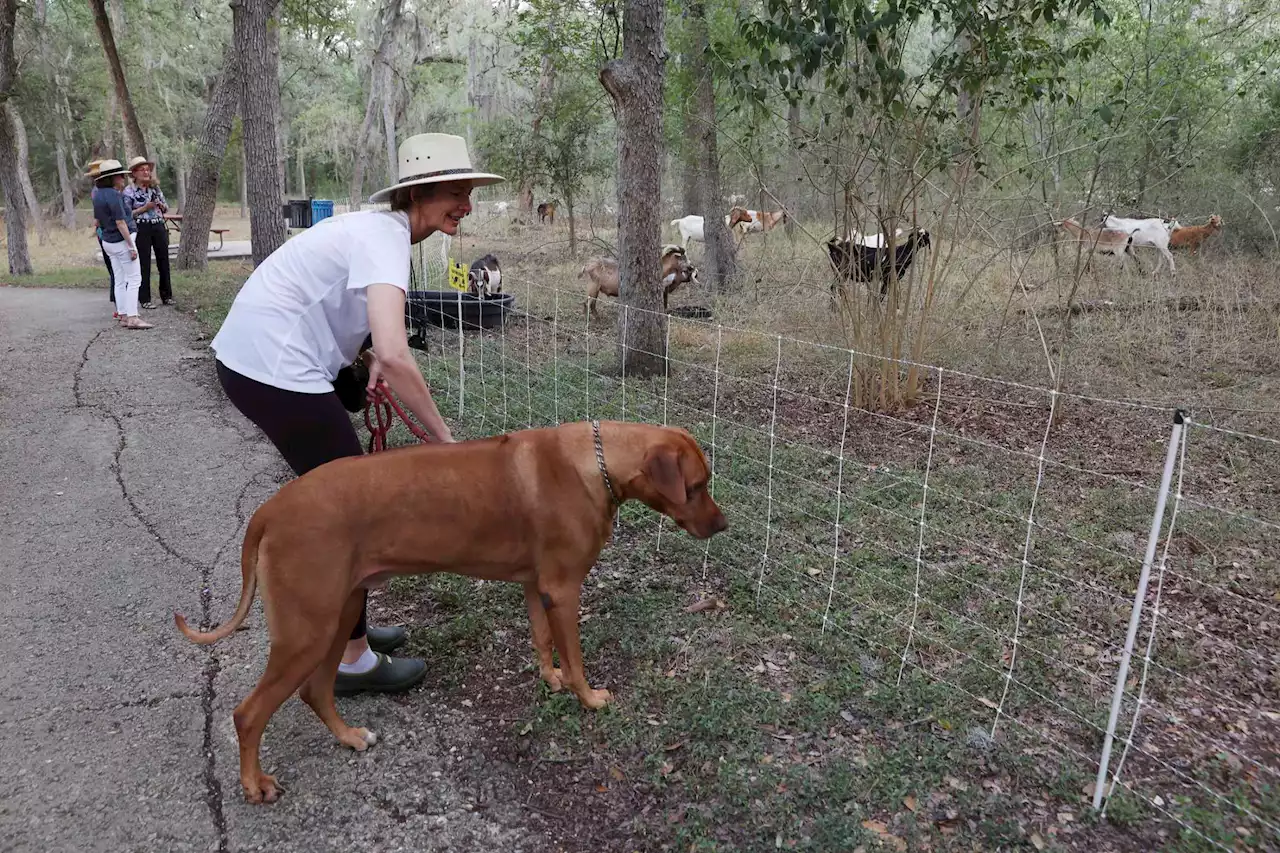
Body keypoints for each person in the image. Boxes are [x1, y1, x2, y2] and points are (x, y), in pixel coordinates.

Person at [209, 133, 503, 695]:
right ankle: (350, 660)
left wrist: (363, 353)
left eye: (469, 192)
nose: (465, 204)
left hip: (265, 360)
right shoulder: (384, 238)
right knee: (353, 514)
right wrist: (448, 443)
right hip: (272, 367)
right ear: (419, 194)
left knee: (351, 511)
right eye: (455, 192)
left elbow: (361, 323)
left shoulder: (381, 233)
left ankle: (350, 641)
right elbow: (398, 352)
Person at [92, 159, 154, 330]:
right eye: (120, 176)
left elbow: (97, 221)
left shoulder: (98, 194)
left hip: (108, 241)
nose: (122, 178)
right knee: (134, 278)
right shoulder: (114, 195)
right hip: (120, 240)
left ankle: (123, 314)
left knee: (119, 279)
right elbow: (121, 222)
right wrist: (131, 246)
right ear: (113, 178)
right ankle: (133, 317)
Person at [124, 156, 173, 308]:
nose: (146, 172)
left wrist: (161, 206)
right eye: (142, 169)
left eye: (148, 169)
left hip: (158, 225)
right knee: (144, 263)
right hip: (141, 227)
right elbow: (126, 215)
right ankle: (145, 299)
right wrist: (144, 208)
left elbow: (166, 206)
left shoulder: (155, 188)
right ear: (134, 173)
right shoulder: (129, 191)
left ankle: (167, 295)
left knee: (163, 261)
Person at [86, 159, 118, 317]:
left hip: (103, 231)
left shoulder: (98, 191)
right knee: (115, 268)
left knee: (114, 268)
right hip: (108, 232)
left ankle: (118, 301)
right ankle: (118, 302)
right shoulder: (100, 192)